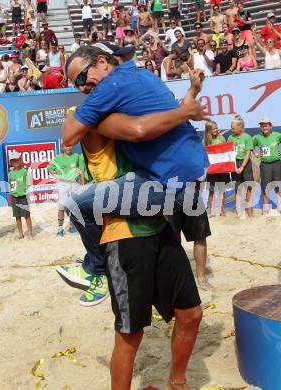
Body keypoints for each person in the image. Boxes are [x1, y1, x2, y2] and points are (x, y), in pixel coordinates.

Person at [58, 118, 202, 389]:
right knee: (130, 334)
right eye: (80, 79)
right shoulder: (94, 113)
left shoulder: (137, 110)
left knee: (191, 315)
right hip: (123, 236)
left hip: (160, 227)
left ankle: (177, 383)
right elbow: (73, 134)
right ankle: (96, 270)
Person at [61, 46, 209, 304]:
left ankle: (96, 271)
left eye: (83, 78)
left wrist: (93, 119)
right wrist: (189, 101)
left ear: (101, 62)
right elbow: (158, 118)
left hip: (167, 184)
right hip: (181, 176)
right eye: (77, 85)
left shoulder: (109, 89)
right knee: (186, 309)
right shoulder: (143, 75)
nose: (83, 88)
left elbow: (69, 137)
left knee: (76, 205)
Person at [47, 144, 84, 236]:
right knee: (61, 207)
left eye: (70, 146)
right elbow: (49, 167)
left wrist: (83, 185)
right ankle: (60, 228)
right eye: (66, 146)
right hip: (63, 184)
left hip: (74, 184)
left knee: (73, 207)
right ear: (62, 148)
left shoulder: (76, 156)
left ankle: (72, 226)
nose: (68, 148)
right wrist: (54, 174)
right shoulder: (58, 158)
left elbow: (81, 171)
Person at [253, 118, 281, 215]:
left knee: (279, 186)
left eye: (266, 125)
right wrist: (256, 153)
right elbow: (250, 145)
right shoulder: (257, 137)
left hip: (277, 164)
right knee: (265, 187)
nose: (264, 127)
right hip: (265, 165)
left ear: (270, 126)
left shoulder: (277, 135)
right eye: (262, 126)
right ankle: (266, 207)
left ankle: (280, 206)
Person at [228, 115, 254, 218]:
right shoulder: (230, 137)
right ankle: (239, 211)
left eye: (233, 128)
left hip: (245, 164)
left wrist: (242, 166)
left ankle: (250, 209)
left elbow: (248, 153)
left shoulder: (247, 137)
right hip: (235, 164)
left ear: (240, 127)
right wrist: (233, 166)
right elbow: (228, 153)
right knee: (238, 188)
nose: (232, 129)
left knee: (249, 187)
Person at [203, 120, 228, 217]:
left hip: (222, 168)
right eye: (213, 129)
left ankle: (222, 210)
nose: (216, 130)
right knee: (211, 190)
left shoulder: (221, 138)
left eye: (216, 128)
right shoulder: (205, 141)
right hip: (212, 169)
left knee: (222, 189)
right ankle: (212, 211)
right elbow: (203, 154)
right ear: (208, 130)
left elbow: (226, 152)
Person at [8, 150, 33, 239]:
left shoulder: (24, 171)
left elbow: (29, 183)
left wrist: (26, 192)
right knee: (17, 216)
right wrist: (11, 195)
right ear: (11, 162)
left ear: (20, 160)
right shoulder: (10, 174)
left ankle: (30, 233)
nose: (16, 162)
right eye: (14, 160)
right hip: (14, 197)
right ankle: (20, 233)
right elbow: (11, 185)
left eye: (18, 159)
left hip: (23, 197)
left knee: (27, 215)